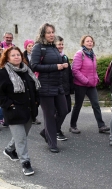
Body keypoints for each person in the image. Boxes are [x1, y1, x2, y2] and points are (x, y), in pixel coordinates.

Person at [0, 46, 41, 175]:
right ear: (7, 58)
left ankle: (9, 149)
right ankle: (25, 163)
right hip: (13, 111)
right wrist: (9, 104)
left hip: (29, 110)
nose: (16, 57)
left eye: (18, 54)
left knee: (22, 135)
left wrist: (36, 101)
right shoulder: (3, 73)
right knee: (21, 138)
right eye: (13, 55)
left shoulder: (26, 70)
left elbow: (34, 87)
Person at [31, 23, 68, 153]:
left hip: (57, 85)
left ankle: (46, 132)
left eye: (53, 32)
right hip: (44, 86)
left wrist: (63, 65)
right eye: (48, 32)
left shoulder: (53, 47)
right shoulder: (38, 47)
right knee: (49, 115)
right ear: (43, 34)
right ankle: (52, 143)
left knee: (64, 110)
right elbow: (34, 66)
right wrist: (56, 67)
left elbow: (56, 62)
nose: (52, 35)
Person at [70, 35, 110, 134]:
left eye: (91, 41)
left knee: (96, 104)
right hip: (80, 85)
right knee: (78, 105)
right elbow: (75, 70)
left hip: (91, 85)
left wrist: (96, 79)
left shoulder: (93, 54)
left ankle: (101, 126)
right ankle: (73, 125)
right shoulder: (80, 54)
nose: (90, 43)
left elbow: (94, 70)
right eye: (87, 41)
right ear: (83, 43)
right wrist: (85, 81)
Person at [23, 39, 41, 125]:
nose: (31, 47)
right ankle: (29, 116)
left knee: (36, 98)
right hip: (28, 79)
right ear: (26, 47)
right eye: (29, 46)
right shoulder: (23, 56)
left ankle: (34, 116)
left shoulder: (36, 55)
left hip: (36, 78)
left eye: (32, 46)